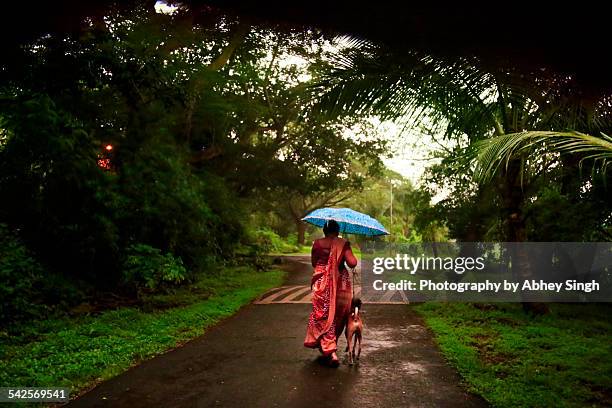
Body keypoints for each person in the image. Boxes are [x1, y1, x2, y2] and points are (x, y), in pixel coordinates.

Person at [303, 219, 358, 367]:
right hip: (340, 284)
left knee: (324, 315)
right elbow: (352, 263)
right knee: (337, 316)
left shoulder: (317, 244)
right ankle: (330, 347)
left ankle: (330, 349)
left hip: (321, 284)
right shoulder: (343, 244)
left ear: (324, 230)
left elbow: (315, 263)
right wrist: (345, 249)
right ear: (338, 231)